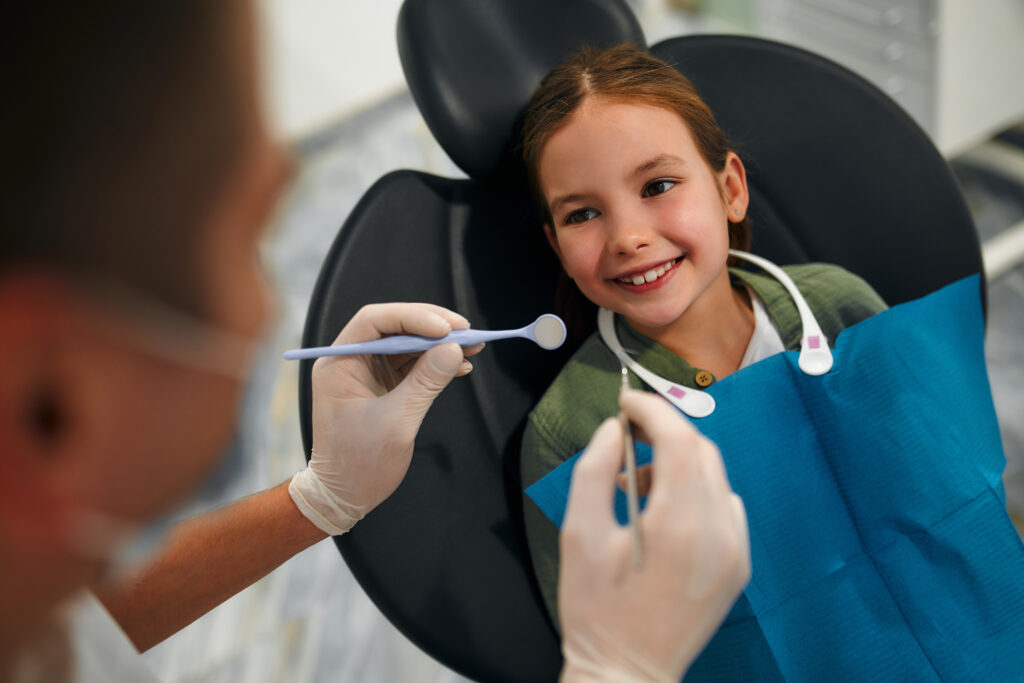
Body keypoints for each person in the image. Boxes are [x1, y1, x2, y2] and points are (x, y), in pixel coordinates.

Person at [0, 4, 749, 681]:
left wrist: (318, 499)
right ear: (56, 393)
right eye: (251, 235)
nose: (267, 309)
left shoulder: (37, 635)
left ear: (731, 187)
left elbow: (87, 625)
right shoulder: (573, 435)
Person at [519, 44, 887, 628]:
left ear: (730, 190)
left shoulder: (838, 307)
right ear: (557, 247)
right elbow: (601, 642)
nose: (627, 237)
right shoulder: (571, 437)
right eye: (582, 215)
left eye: (658, 185)